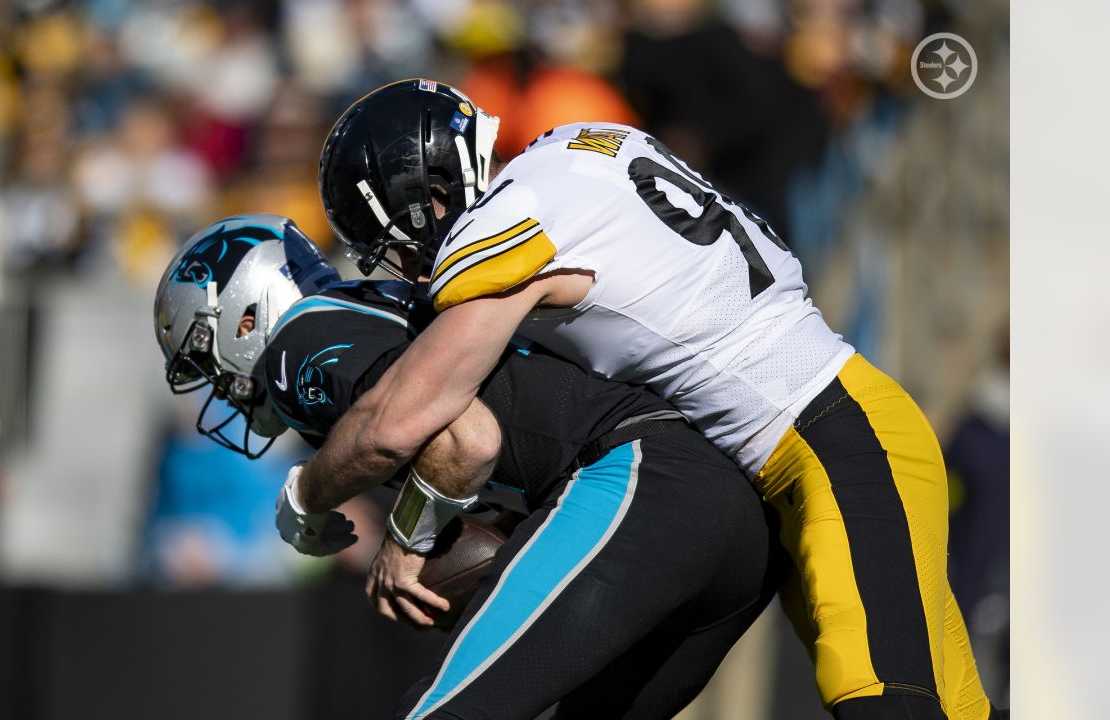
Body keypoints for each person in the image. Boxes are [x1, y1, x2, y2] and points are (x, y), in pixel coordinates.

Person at [306, 79, 998, 720]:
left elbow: (399, 419)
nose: (401, 263)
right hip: (827, 432)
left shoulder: (506, 227)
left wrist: (319, 503)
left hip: (831, 441)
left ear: (421, 194)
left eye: (389, 241)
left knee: (886, 702)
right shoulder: (579, 145)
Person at [152, 213, 785, 719]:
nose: (219, 383)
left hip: (645, 479)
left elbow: (466, 439)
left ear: (245, 314)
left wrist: (354, 517)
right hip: (733, 512)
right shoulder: (379, 307)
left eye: (207, 354)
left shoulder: (303, 338)